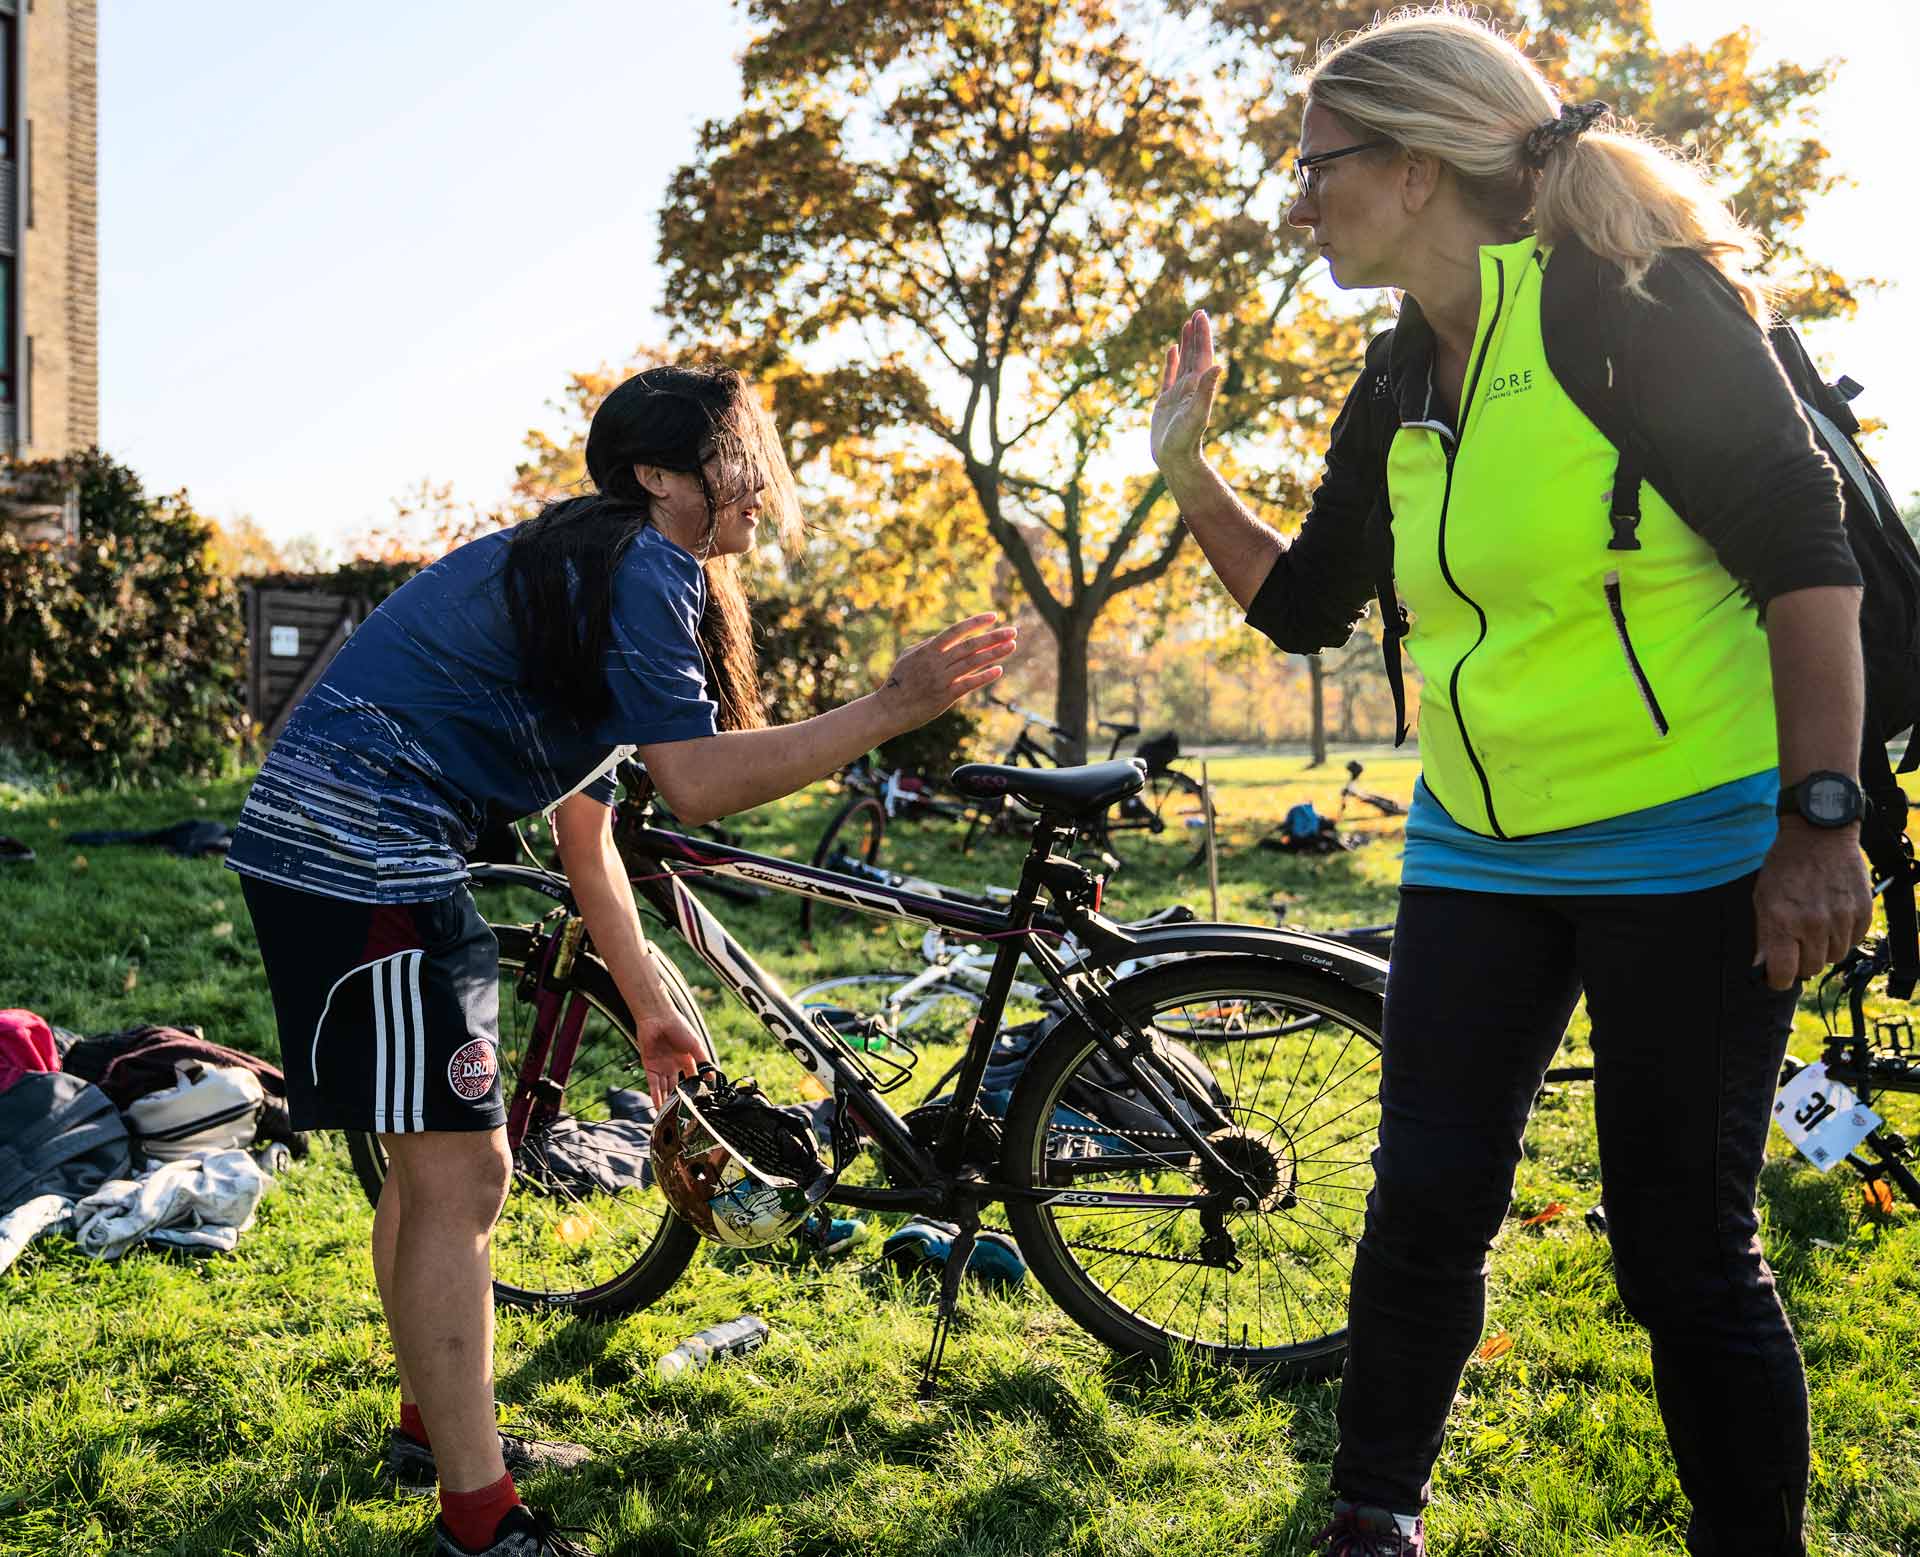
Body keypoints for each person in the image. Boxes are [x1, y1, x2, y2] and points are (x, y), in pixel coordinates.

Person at [1148, 11, 1870, 1556]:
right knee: (1422, 1206)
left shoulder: (1637, 310)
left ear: (1414, 168)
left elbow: (1807, 556)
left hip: (1694, 844)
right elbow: (1307, 606)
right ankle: (1372, 1518)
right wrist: (1188, 470)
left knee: (1680, 1249)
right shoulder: (1404, 364)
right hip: (1477, 847)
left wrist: (1820, 819)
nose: (1296, 197)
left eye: (1315, 162)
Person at [227, 362, 1015, 1557]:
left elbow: (584, 825)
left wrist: (648, 998)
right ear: (658, 476)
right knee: (463, 1178)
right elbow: (696, 786)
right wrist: (890, 706)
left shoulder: (590, 566)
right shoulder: (640, 564)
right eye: (733, 455)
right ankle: (481, 1526)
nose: (757, 482)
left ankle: (439, 1439)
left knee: (426, 1169)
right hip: (362, 854)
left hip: (351, 849)